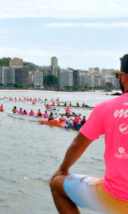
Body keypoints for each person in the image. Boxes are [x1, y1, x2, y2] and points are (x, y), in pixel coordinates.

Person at [49, 54, 128, 214]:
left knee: (56, 184)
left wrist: (63, 168)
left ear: (124, 77)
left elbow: (79, 144)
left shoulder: (106, 108)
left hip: (116, 197)